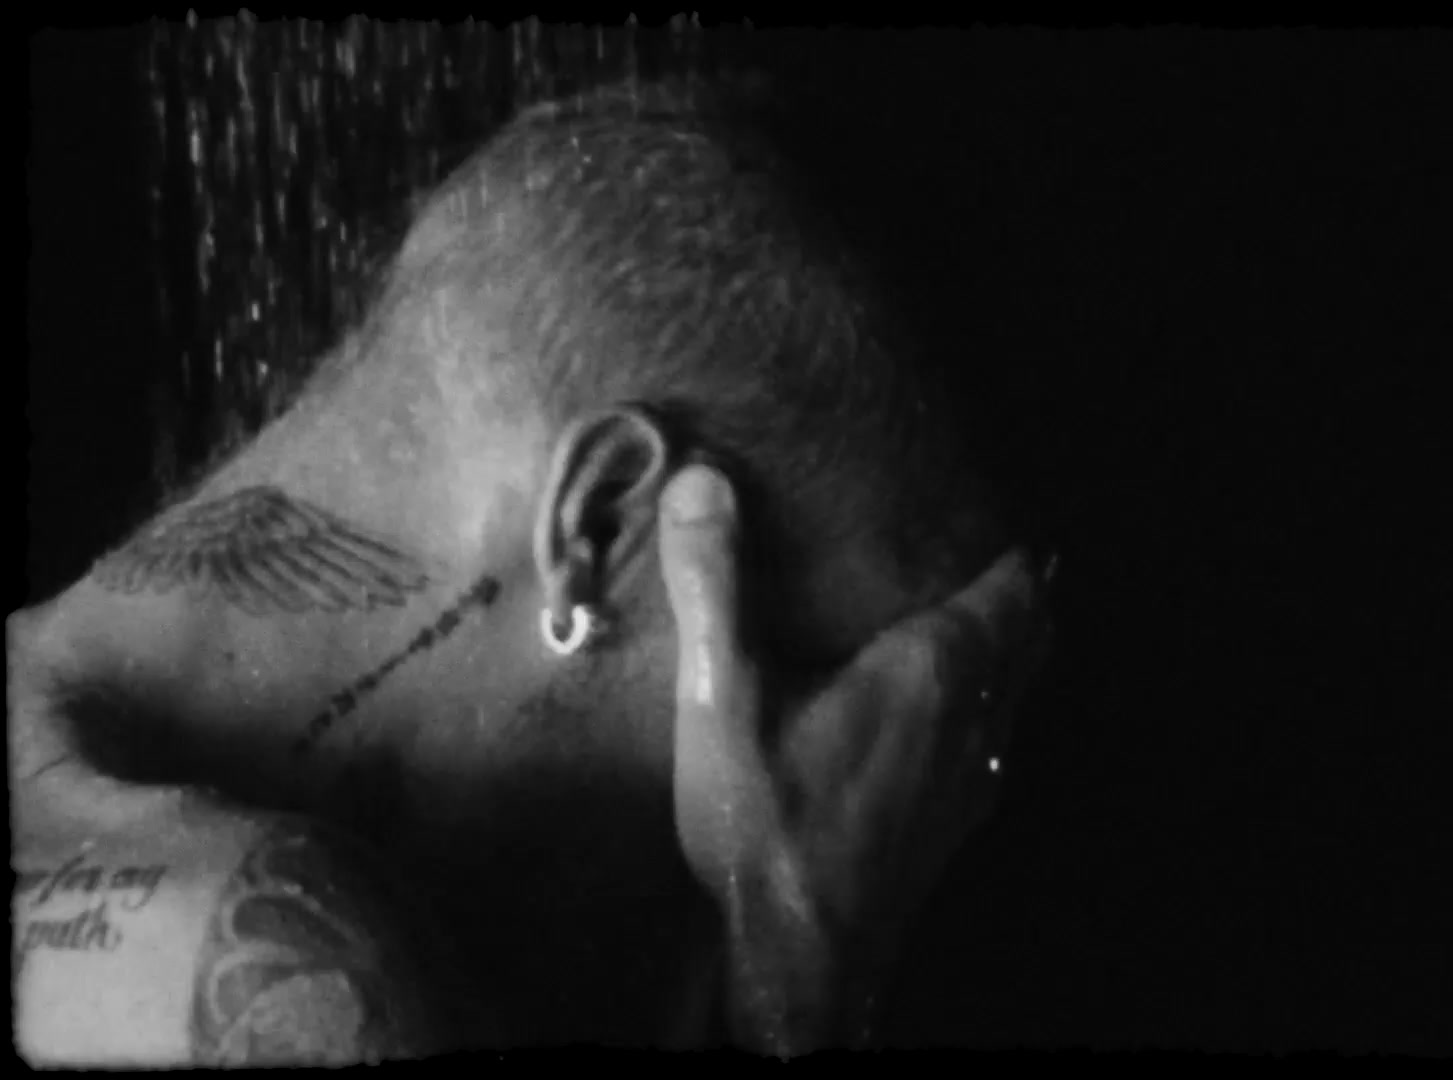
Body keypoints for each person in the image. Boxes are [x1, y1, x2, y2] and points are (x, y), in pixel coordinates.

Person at [10, 75, 1051, 1062]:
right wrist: (801, 977)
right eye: (805, 698)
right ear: (599, 524)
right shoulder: (289, 958)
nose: (819, 815)